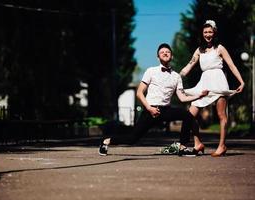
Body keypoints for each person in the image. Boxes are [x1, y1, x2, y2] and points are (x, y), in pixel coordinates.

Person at [99, 43, 209, 157]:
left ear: (172, 56)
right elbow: (139, 92)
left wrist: (199, 95)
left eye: (168, 52)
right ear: (158, 57)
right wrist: (149, 108)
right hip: (150, 110)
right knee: (132, 139)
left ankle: (182, 147)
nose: (165, 53)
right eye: (162, 52)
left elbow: (182, 97)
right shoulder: (151, 71)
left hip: (166, 110)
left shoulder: (176, 76)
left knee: (187, 115)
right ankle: (106, 141)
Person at [180, 20, 245, 157]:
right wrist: (176, 76)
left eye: (210, 32)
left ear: (214, 33)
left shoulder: (220, 48)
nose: (208, 34)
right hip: (204, 82)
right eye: (205, 32)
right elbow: (189, 65)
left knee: (221, 114)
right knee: (191, 113)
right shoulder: (199, 50)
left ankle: (222, 146)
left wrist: (241, 81)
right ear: (202, 34)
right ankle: (198, 143)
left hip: (218, 81)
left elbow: (232, 65)